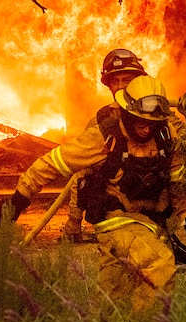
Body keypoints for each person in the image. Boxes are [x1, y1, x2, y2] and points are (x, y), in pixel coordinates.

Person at [7, 74, 186, 313]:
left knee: (113, 300)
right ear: (127, 114)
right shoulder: (103, 137)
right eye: (140, 122)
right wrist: (19, 198)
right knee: (160, 265)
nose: (146, 129)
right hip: (116, 220)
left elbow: (179, 184)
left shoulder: (166, 136)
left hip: (152, 222)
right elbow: (53, 163)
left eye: (152, 124)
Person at [61, 49, 147, 243]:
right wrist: (74, 221)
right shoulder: (100, 122)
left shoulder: (157, 113)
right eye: (115, 82)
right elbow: (81, 176)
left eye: (127, 80)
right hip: (115, 208)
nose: (120, 86)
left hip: (153, 206)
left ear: (139, 81)